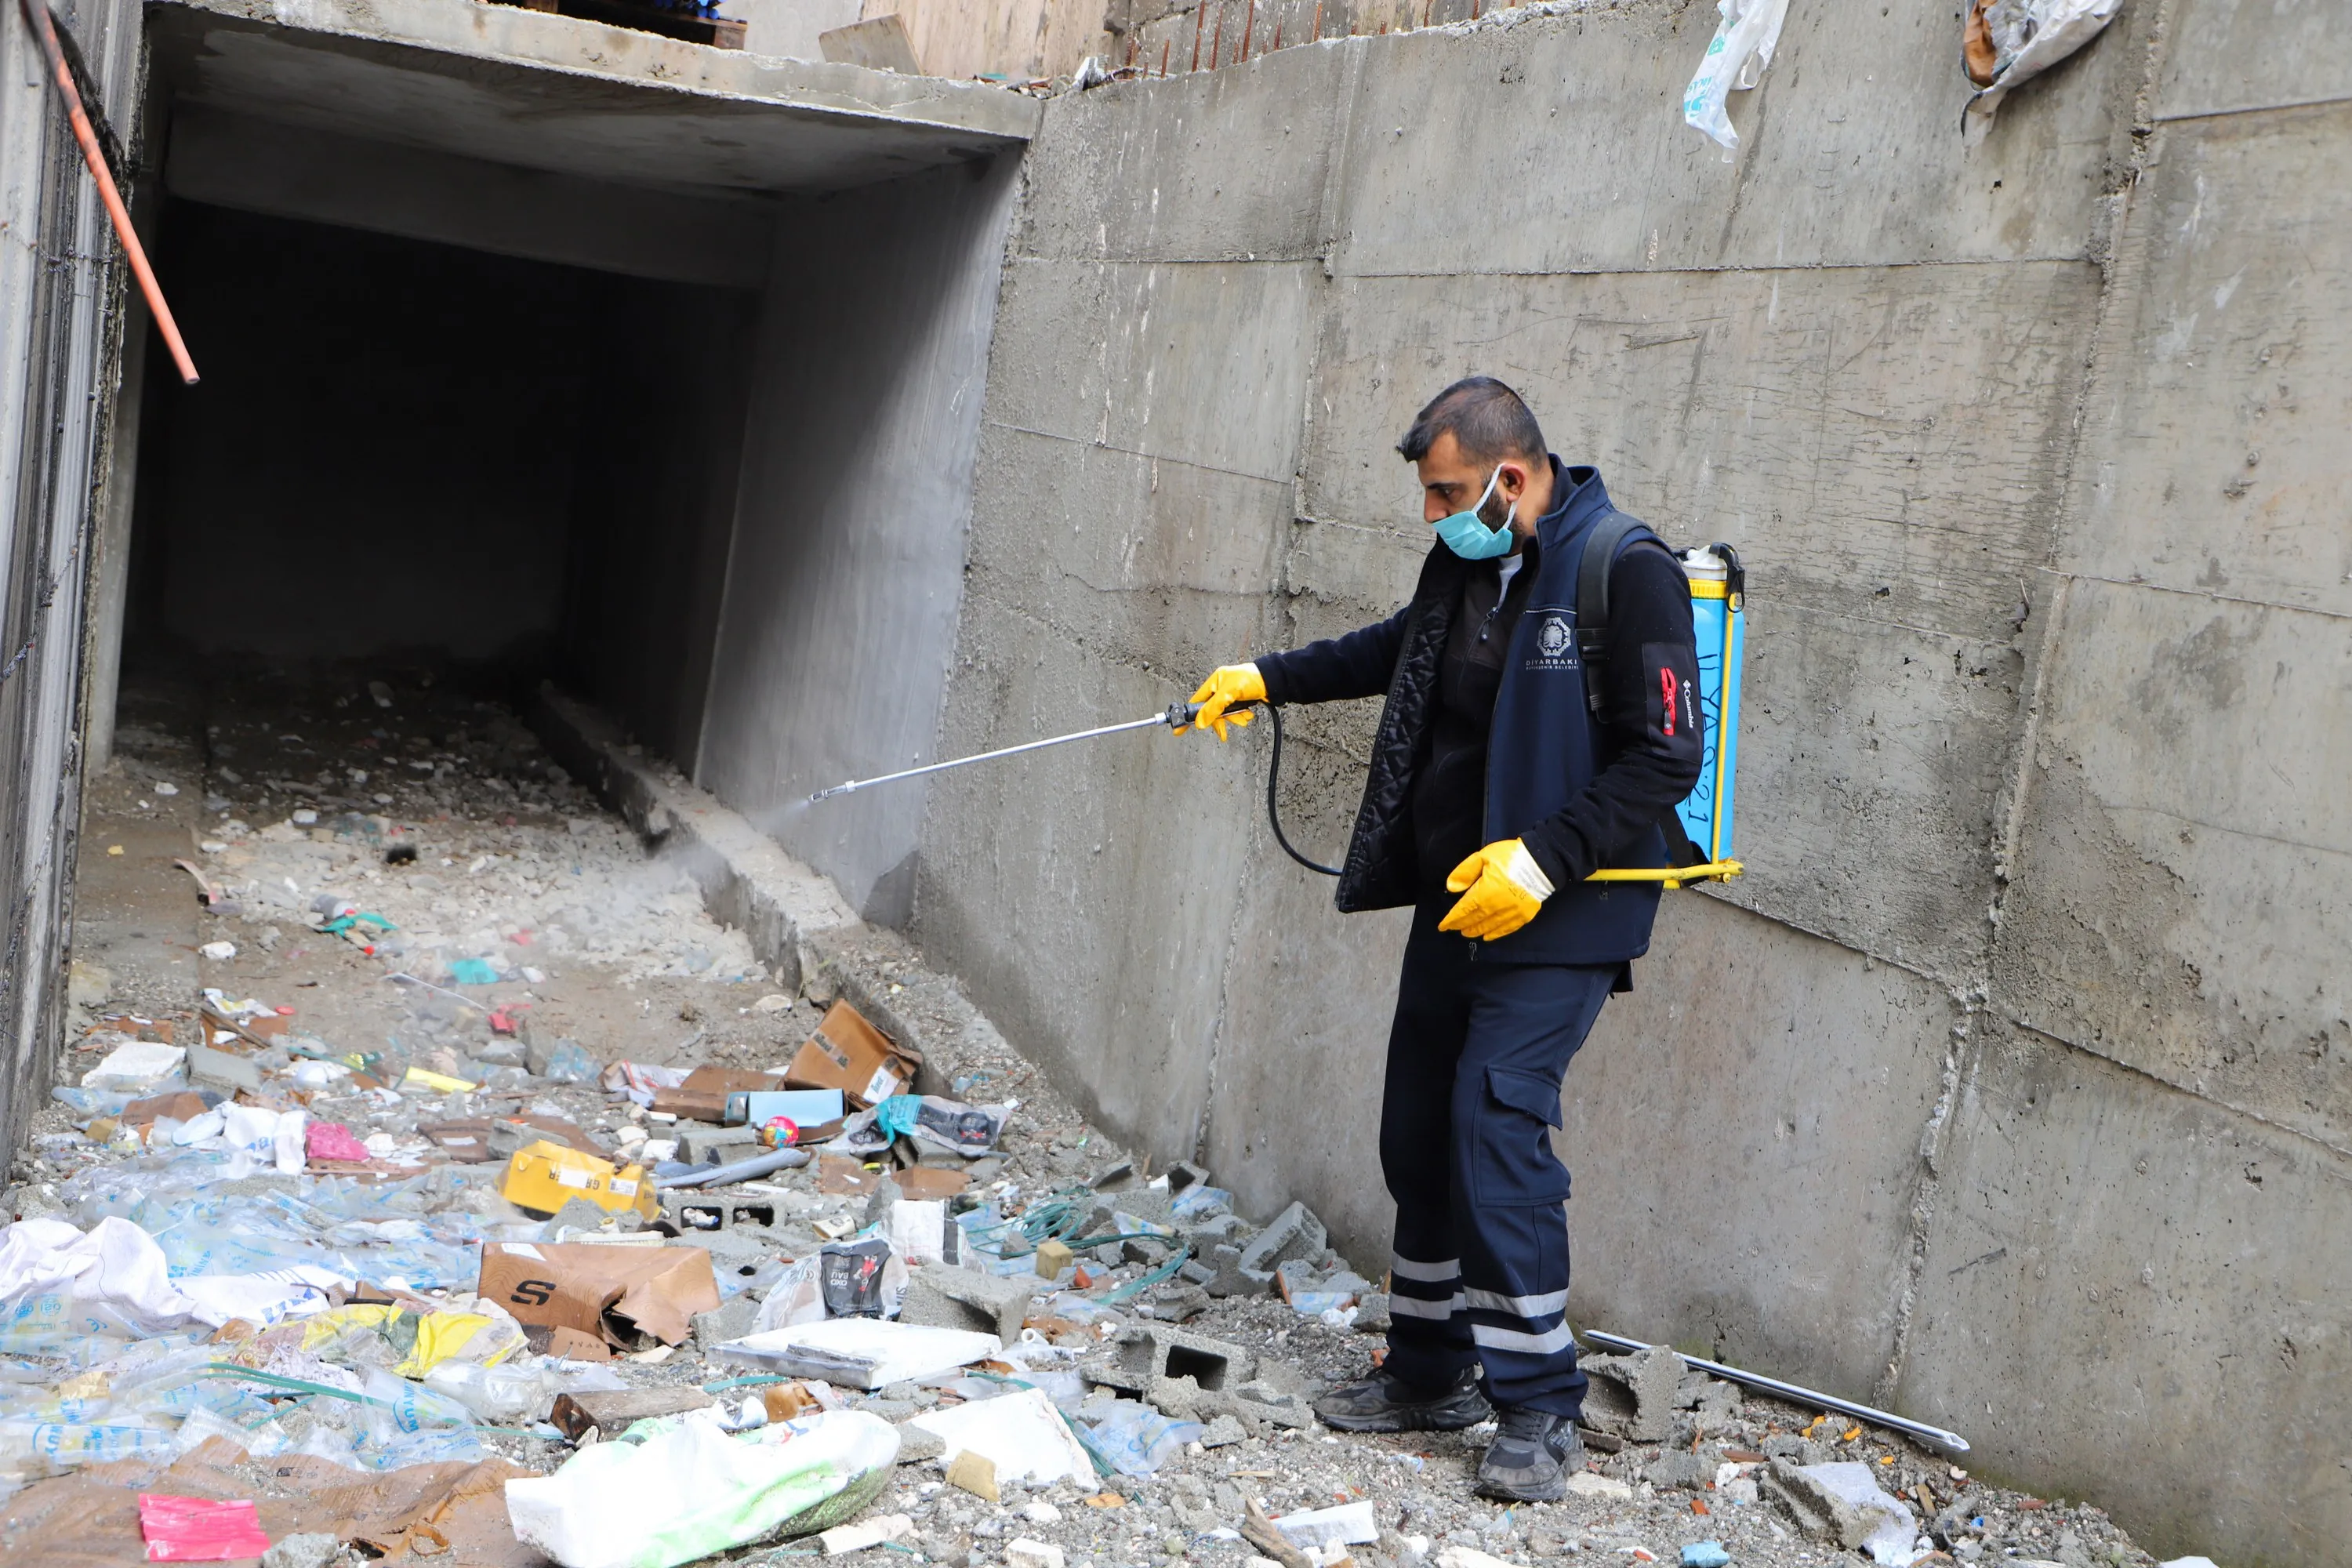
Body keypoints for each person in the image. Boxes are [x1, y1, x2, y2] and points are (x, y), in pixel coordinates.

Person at [1183, 377, 1702, 1501]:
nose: (1435, 515)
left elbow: (1667, 757)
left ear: (1511, 478)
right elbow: (1395, 652)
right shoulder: (1469, 564)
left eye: (1448, 493)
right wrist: (1265, 678)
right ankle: (1427, 1372)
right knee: (1418, 1132)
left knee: (1492, 1131)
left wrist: (1543, 857)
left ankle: (1538, 1406)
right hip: (1460, 901)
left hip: (1563, 908)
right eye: (1431, 496)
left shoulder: (1628, 567)